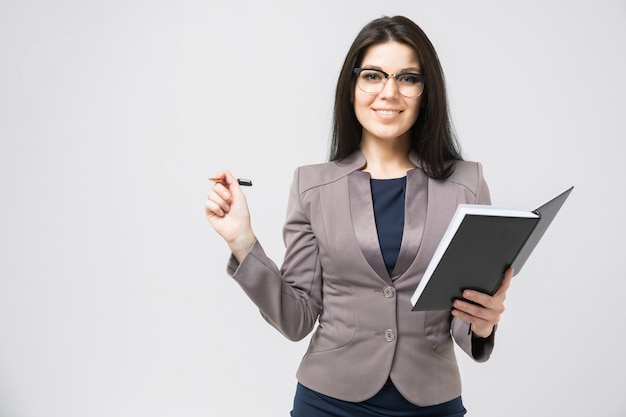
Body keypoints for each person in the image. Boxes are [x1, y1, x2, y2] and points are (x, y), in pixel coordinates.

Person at [205, 15, 513, 417]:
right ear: (352, 86)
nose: (389, 92)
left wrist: (483, 323)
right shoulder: (311, 186)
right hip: (327, 401)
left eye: (407, 78)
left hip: (431, 401)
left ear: (426, 91)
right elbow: (297, 318)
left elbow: (462, 317)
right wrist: (242, 241)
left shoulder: (466, 184)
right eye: (373, 75)